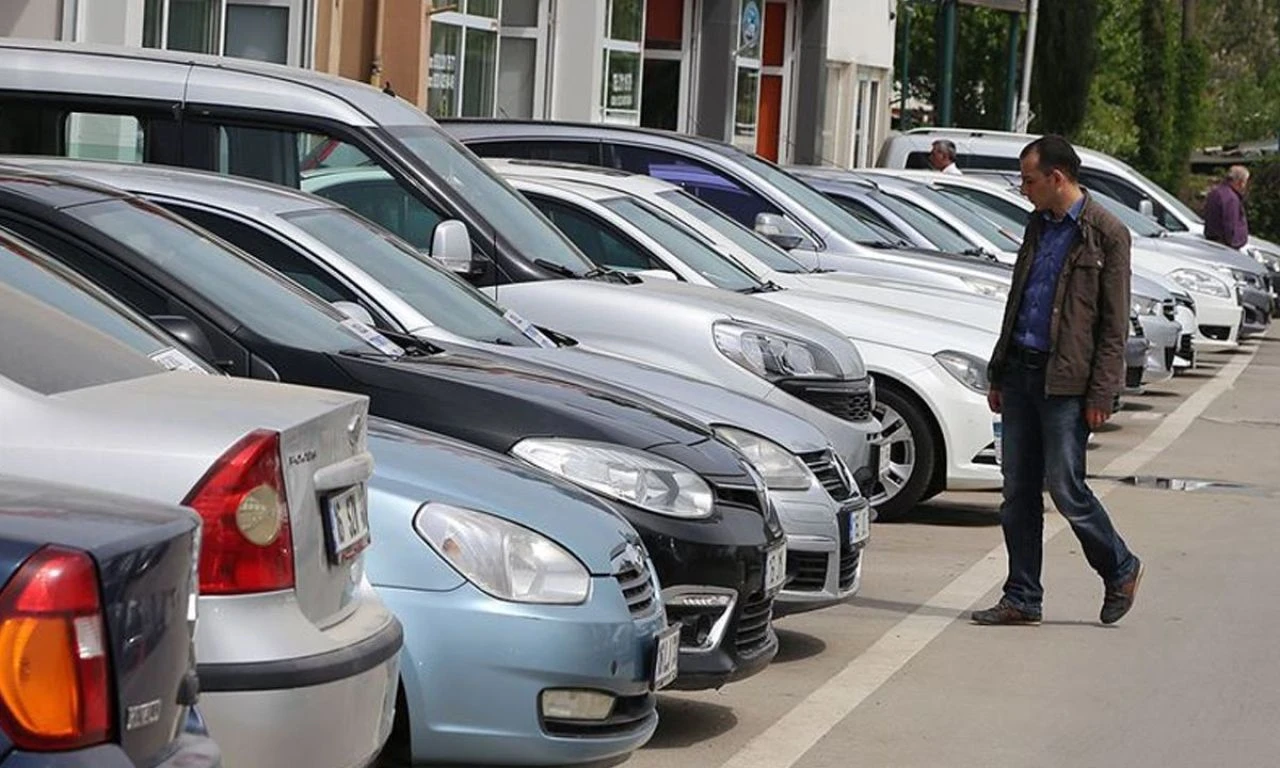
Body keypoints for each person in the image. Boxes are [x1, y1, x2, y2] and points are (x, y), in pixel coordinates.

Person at [974, 134, 1143, 627]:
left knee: (1066, 487)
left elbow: (1113, 324)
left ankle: (1120, 566)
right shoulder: (1037, 225)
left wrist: (1102, 392)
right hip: (1022, 372)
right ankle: (1022, 597)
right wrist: (998, 370)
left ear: (1057, 178)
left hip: (1066, 384)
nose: (1022, 188)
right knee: (1017, 492)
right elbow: (1019, 301)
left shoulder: (1107, 233)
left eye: (1029, 179)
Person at [1202, 165, 1250, 249]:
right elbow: (1230, 227)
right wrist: (1235, 244)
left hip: (1212, 242)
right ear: (1240, 182)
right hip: (1224, 247)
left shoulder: (1216, 192)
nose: (1244, 186)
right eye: (1245, 182)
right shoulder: (1231, 199)